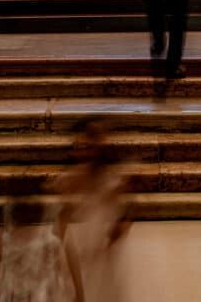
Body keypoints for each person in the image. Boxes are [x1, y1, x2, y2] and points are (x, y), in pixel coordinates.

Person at [56, 120, 131, 302]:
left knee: (99, 284)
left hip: (98, 237)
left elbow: (122, 211)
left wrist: (117, 228)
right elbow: (64, 209)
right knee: (86, 284)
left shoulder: (109, 177)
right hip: (87, 236)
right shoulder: (80, 175)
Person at [0, 198, 84, 302]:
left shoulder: (5, 233)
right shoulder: (53, 235)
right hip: (41, 292)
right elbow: (67, 267)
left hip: (19, 292)